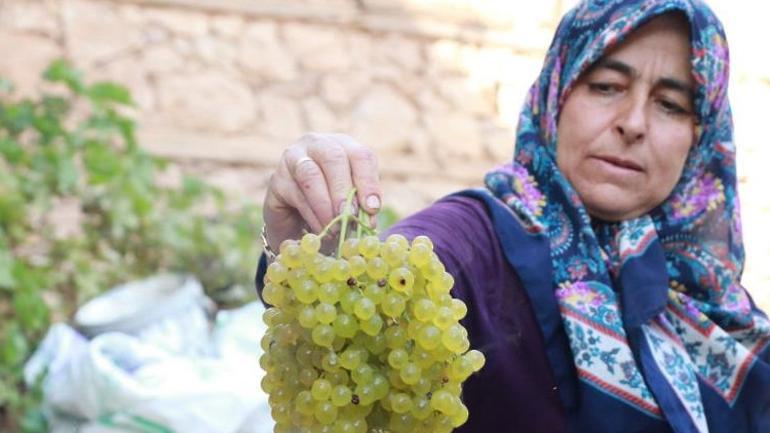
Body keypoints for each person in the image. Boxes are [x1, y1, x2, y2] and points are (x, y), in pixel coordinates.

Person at [257, 0, 770, 431]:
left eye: (671, 105)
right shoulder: (478, 234)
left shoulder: (711, 293)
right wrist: (325, 251)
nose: (633, 123)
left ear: (701, 140)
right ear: (555, 96)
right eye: (606, 86)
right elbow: (409, 266)